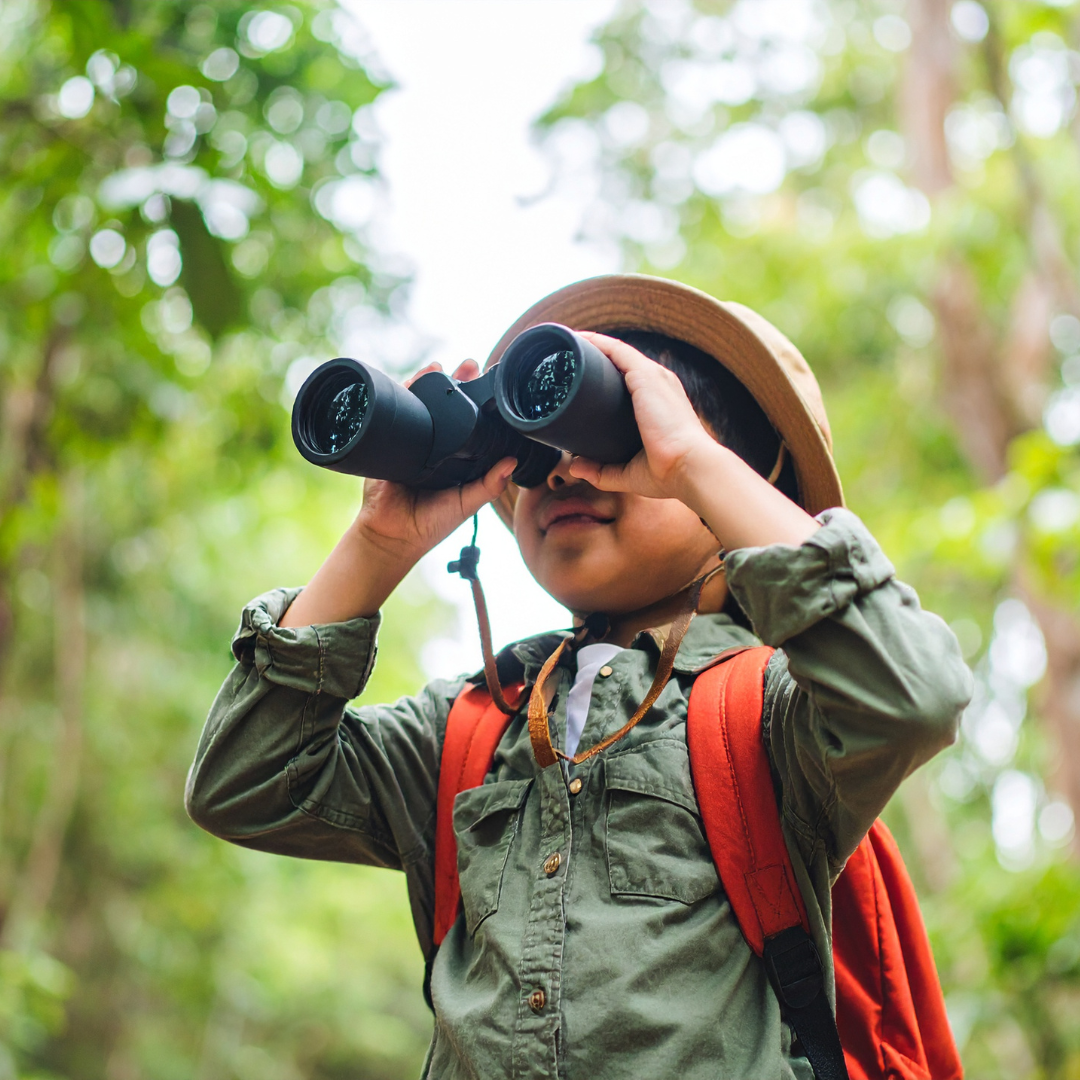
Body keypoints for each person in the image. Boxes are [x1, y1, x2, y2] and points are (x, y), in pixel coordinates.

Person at [186, 275, 973, 1079]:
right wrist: (377, 545)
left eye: (610, 431)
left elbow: (914, 694)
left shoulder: (772, 711)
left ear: (746, 478)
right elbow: (245, 784)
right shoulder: (472, 726)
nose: (563, 472)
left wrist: (687, 460)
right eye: (536, 449)